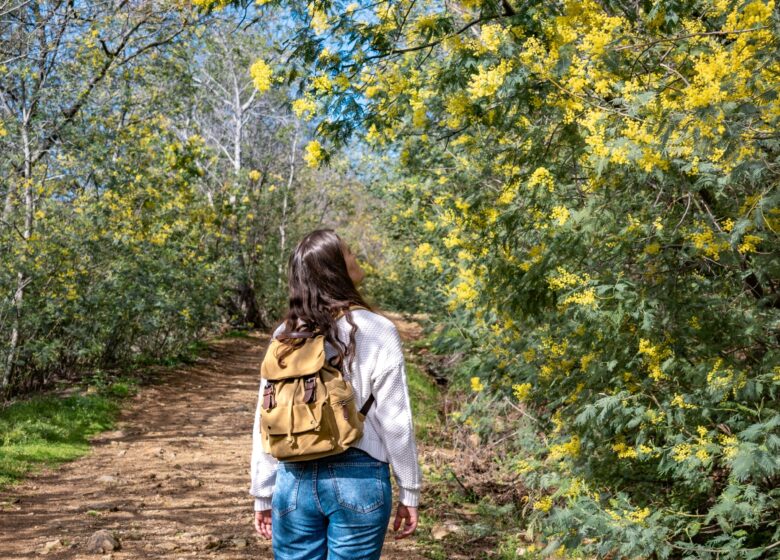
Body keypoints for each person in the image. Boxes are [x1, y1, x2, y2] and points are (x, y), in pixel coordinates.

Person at [249, 228, 422, 560]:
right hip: (359, 476)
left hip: (293, 479)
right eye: (349, 252)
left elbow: (267, 418)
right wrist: (409, 491)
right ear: (335, 269)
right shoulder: (377, 329)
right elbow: (396, 421)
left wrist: (263, 493)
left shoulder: (286, 335)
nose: (355, 256)